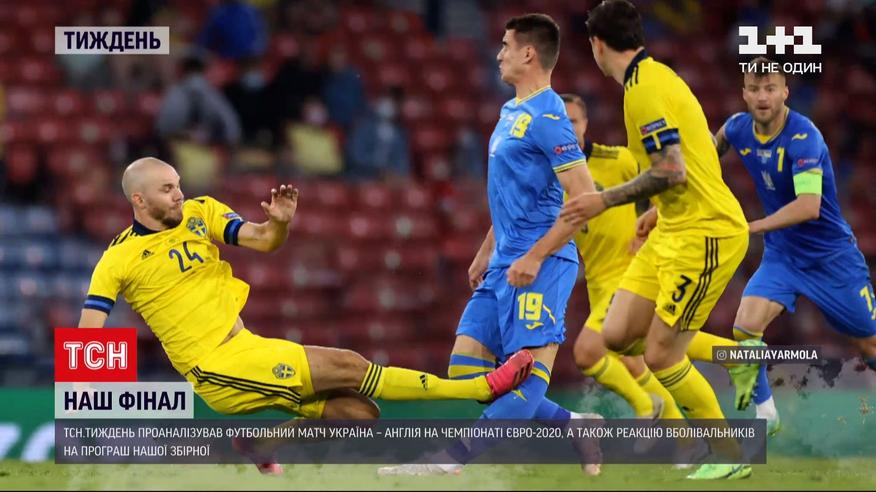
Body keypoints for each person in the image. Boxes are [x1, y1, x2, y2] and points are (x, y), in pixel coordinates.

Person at [78, 157, 535, 475]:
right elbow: (89, 337)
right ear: (139, 200)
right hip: (214, 367)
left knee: (358, 414)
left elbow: (261, 240)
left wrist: (279, 223)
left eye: (178, 184)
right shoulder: (118, 259)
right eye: (167, 189)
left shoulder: (201, 212)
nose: (179, 194)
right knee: (351, 366)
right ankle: (480, 388)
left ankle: (262, 446)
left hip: (245, 348)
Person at [379, 13, 602, 477]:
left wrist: (535, 255)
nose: (498, 54)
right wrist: (486, 251)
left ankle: (447, 462)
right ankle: (574, 424)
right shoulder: (510, 111)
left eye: (506, 46)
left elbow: (586, 200)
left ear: (528, 53)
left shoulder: (549, 117)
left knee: (525, 382)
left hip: (542, 264)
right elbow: (509, 194)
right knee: (466, 369)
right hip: (503, 262)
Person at [560, 0, 760, 479]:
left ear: (597, 45)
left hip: (705, 232)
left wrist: (605, 200)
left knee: (661, 354)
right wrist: (656, 210)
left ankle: (730, 456)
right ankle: (736, 358)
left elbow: (671, 170)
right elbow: (692, 153)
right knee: (615, 336)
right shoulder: (651, 79)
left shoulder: (645, 90)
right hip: (672, 226)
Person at [706, 56, 876, 435]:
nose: (762, 96)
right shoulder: (736, 128)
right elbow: (706, 157)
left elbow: (808, 206)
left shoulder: (804, 136)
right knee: (745, 327)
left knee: (869, 345)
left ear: (785, 92)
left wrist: (751, 226)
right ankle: (767, 415)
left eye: (770, 88)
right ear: (744, 94)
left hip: (831, 258)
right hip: (783, 256)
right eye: (755, 89)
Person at [561, 94, 684, 423]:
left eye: (573, 121)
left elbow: (667, 182)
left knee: (587, 353)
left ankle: (646, 408)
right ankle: (686, 439)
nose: (568, 128)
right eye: (560, 122)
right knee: (633, 363)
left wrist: (653, 225)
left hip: (628, 274)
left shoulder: (618, 160)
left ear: (586, 124)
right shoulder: (551, 173)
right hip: (597, 282)